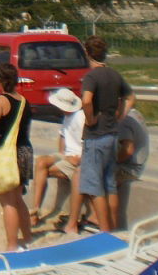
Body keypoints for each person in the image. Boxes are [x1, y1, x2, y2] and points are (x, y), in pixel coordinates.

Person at [69, 35, 134, 234]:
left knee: (94, 186)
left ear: (87, 53)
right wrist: (121, 116)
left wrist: (89, 120)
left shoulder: (91, 77)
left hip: (96, 136)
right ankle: (113, 228)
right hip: (112, 134)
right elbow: (131, 97)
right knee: (110, 185)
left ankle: (105, 233)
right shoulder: (114, 75)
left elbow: (87, 100)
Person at [0, 62, 33, 252]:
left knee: (8, 202)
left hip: (8, 154)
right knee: (18, 198)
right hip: (24, 151)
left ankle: (12, 245)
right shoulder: (23, 101)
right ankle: (27, 237)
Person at [29, 88, 84, 227]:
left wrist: (74, 158)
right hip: (66, 154)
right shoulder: (68, 117)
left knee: (43, 170)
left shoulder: (81, 117)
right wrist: (60, 155)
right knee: (41, 161)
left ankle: (35, 212)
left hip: (76, 157)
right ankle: (35, 209)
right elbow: (63, 136)